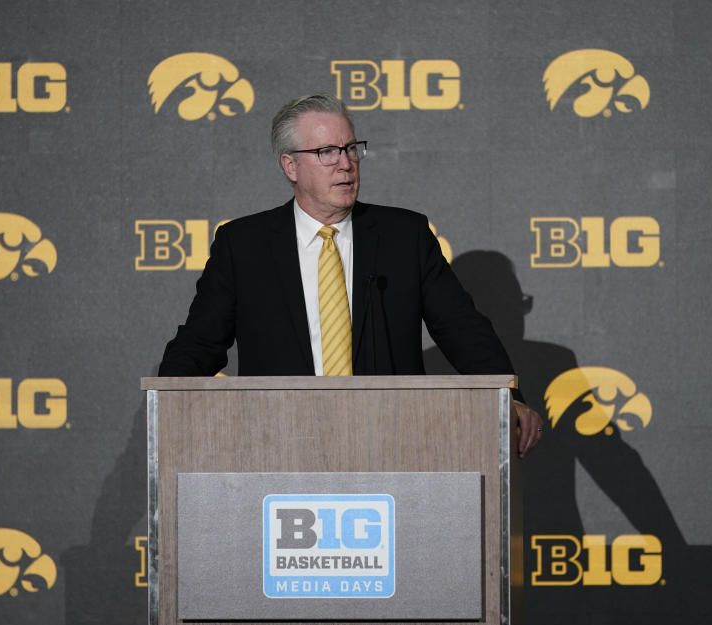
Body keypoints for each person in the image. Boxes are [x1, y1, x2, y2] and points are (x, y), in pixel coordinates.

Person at [157, 93, 543, 456]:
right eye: (326, 152)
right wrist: (166, 401)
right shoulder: (243, 245)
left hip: (391, 441)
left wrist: (508, 396)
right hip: (280, 441)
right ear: (290, 165)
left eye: (351, 148)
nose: (345, 164)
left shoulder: (403, 236)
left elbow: (462, 329)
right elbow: (201, 342)